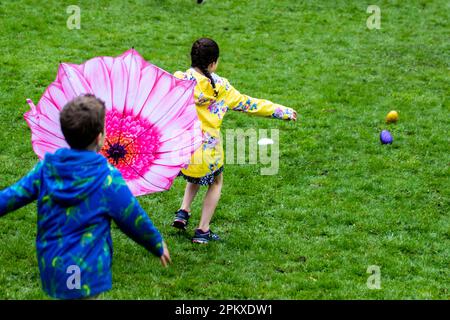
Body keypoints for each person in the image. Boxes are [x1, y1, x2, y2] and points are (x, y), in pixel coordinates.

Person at [0, 94, 171, 299]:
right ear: (100, 137)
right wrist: (155, 242)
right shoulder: (107, 178)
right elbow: (132, 216)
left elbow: (12, 196)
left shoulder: (46, 168)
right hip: (88, 269)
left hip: (53, 264)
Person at [172, 38, 297, 244]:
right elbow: (250, 104)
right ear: (213, 63)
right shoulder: (221, 88)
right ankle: (202, 230)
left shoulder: (178, 80)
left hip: (182, 150)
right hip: (208, 152)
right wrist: (281, 111)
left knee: (194, 175)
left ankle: (183, 211)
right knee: (215, 181)